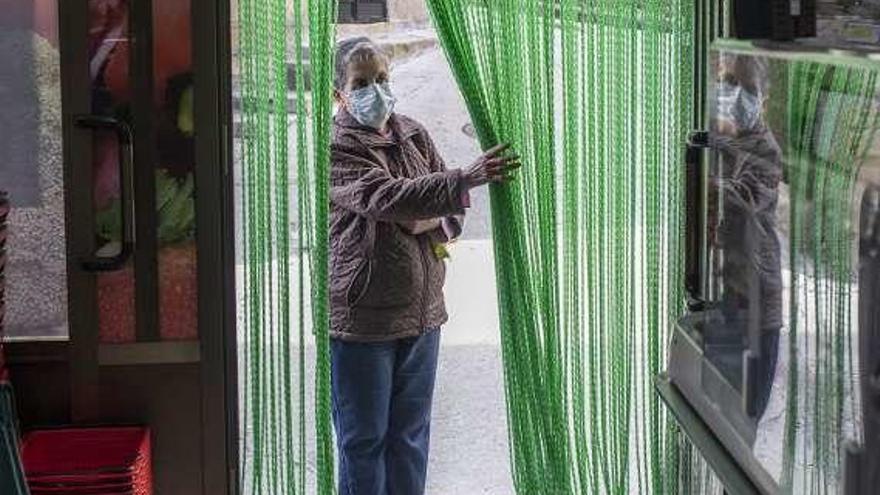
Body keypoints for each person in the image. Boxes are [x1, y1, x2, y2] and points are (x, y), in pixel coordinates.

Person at [328, 37, 520, 495]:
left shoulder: (413, 134)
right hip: (363, 322)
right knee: (364, 442)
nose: (375, 91)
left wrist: (436, 213)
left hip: (422, 314)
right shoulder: (338, 150)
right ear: (340, 94)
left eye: (381, 79)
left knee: (409, 440)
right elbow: (387, 198)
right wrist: (461, 180)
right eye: (361, 83)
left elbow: (448, 210)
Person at [706, 54, 783, 422]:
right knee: (719, 410)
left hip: (758, 307)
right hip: (730, 294)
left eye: (748, 89)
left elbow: (745, 199)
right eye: (731, 84)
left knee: (745, 418)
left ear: (764, 100)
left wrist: (707, 185)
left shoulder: (766, 149)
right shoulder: (724, 139)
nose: (737, 96)